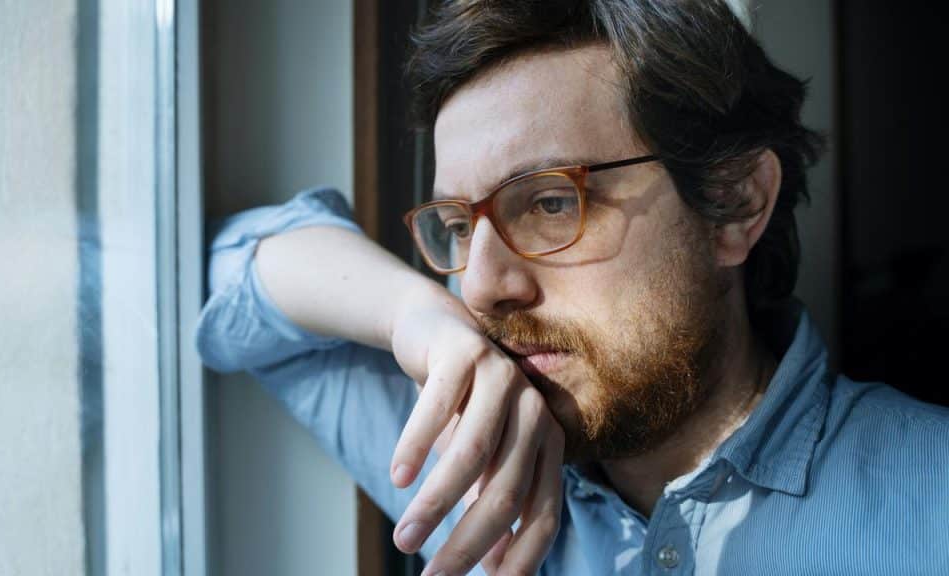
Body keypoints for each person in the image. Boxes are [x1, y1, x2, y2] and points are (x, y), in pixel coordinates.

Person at [195, 1, 949, 574]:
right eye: (459, 228)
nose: (481, 287)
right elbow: (233, 274)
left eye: (552, 202)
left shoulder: (931, 501)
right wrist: (409, 312)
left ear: (735, 203)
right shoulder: (470, 456)